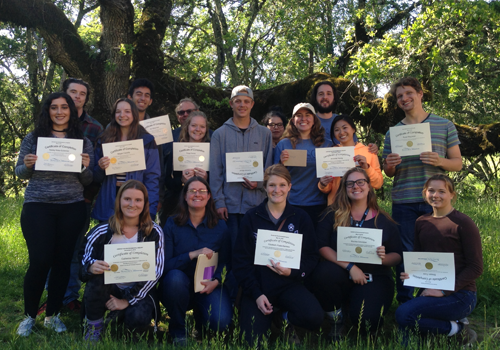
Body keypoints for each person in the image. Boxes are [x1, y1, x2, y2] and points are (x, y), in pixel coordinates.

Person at [15, 92, 94, 336]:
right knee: (40, 261)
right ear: (47, 111)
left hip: (72, 207)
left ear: (71, 110)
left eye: (64, 107)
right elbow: (19, 171)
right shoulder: (34, 138)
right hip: (38, 205)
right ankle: (29, 316)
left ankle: (52, 315)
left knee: (62, 262)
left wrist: (84, 166)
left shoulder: (81, 141)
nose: (59, 112)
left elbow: (88, 180)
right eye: (53, 108)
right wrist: (27, 165)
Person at [383, 77, 463, 303]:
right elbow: (388, 173)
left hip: (436, 200)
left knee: (439, 251)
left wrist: (440, 161)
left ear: (420, 94)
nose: (404, 99)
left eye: (408, 93)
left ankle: (439, 300)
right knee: (407, 254)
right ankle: (407, 304)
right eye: (399, 96)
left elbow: (457, 163)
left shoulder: (444, 124)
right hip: (404, 200)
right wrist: (389, 165)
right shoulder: (393, 133)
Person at [233, 164, 323, 345]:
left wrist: (294, 273)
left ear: (290, 187)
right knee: (252, 343)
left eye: (282, 185)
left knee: (314, 317)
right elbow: (241, 261)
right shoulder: (251, 217)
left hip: (288, 284)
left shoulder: (301, 217)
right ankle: (268, 318)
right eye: (272, 185)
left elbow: (311, 256)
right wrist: (256, 294)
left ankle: (284, 318)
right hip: (259, 286)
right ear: (265, 187)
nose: (277, 190)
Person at [308, 167, 402, 340]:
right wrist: (350, 266)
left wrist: (383, 258)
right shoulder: (332, 214)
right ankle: (337, 319)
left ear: (368, 186)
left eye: (360, 182)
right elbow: (321, 246)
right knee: (323, 273)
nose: (355, 187)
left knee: (365, 323)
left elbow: (397, 255)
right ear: (344, 188)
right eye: (350, 183)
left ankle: (356, 308)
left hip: (374, 277)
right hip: (341, 274)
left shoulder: (383, 220)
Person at [396, 174, 482, 347]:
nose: (436, 195)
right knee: (405, 324)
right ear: (424, 193)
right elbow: (419, 256)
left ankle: (458, 330)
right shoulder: (421, 222)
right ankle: (441, 332)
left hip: (461, 295)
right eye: (431, 191)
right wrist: (412, 274)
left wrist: (443, 291)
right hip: (430, 289)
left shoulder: (463, 223)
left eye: (442, 191)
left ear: (452, 195)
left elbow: (475, 267)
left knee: (404, 314)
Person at [81, 180, 164, 342]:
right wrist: (91, 266)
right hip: (108, 287)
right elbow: (84, 257)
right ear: (119, 201)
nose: (132, 204)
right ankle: (94, 327)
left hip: (138, 290)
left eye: (138, 200)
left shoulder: (154, 232)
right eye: (127, 199)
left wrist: (126, 300)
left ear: (145, 204)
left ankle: (121, 318)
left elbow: (156, 271)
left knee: (138, 318)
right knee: (97, 278)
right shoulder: (102, 231)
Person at [160, 177, 232, 346]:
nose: (197, 194)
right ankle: (178, 330)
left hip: (208, 285)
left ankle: (201, 325)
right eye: (192, 191)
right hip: (178, 286)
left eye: (202, 191)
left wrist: (216, 281)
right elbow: (165, 266)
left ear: (208, 197)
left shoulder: (220, 226)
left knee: (221, 322)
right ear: (184, 196)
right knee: (174, 278)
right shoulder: (172, 223)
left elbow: (227, 263)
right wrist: (191, 254)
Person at [210, 85, 273, 248]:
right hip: (229, 207)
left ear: (252, 104)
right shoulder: (219, 134)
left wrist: (259, 184)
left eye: (246, 101)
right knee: (232, 250)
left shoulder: (265, 134)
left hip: (257, 204)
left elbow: (269, 167)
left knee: (255, 250)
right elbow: (216, 171)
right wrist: (219, 202)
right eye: (238, 101)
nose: (242, 105)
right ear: (231, 104)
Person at [92, 98, 160, 222]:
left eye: (127, 111)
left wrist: (150, 210)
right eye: (118, 112)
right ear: (114, 115)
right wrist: (100, 168)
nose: (122, 115)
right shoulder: (105, 139)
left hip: (136, 201)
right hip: (109, 200)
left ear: (134, 114)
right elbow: (95, 178)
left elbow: (152, 178)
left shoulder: (147, 141)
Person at [275, 102, 332, 227]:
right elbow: (274, 176)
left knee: (314, 244)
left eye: (307, 115)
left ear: (314, 119)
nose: (303, 119)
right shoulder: (283, 145)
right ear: (293, 120)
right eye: (299, 115)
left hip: (319, 204)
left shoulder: (326, 144)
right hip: (290, 203)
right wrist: (281, 163)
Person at [318, 114, 383, 205]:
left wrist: (367, 168)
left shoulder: (369, 151)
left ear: (353, 129)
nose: (341, 132)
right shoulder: (330, 154)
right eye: (337, 130)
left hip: (362, 206)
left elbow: (378, 184)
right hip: (336, 206)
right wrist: (322, 184)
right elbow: (328, 188)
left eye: (345, 128)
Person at [161, 111, 211, 224]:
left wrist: (207, 178)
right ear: (187, 127)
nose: (198, 129)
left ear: (206, 129)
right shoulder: (177, 150)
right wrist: (182, 181)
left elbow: (218, 180)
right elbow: (167, 182)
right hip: (177, 207)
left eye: (202, 126)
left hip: (203, 207)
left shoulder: (212, 150)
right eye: (193, 125)